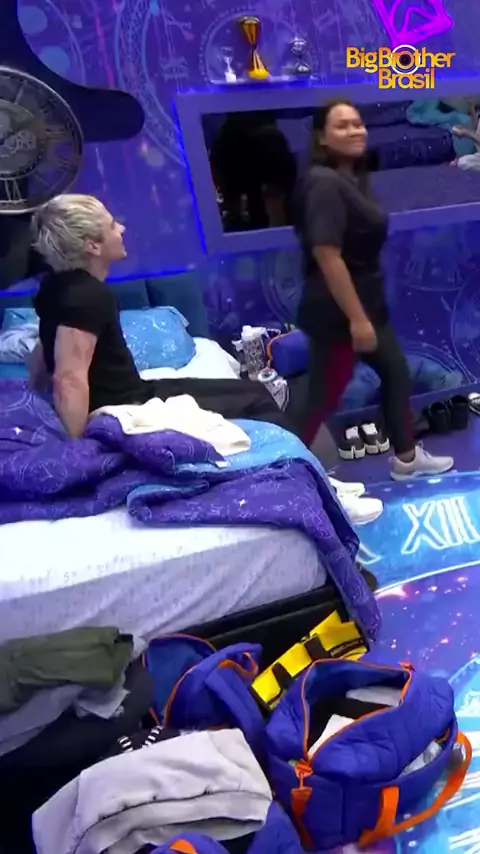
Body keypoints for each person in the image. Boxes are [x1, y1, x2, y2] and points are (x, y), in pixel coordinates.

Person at [28, 194, 292, 439]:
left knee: (254, 390)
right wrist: (76, 451)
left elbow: (46, 348)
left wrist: (34, 395)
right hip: (126, 406)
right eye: (112, 226)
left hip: (135, 391)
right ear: (93, 246)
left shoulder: (57, 286)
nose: (122, 229)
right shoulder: (86, 296)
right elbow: (68, 378)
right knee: (257, 401)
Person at [294, 99, 454, 480]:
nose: (355, 130)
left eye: (358, 123)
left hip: (365, 305)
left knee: (396, 372)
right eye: (342, 125)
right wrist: (357, 319)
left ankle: (407, 458)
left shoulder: (349, 179)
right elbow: (327, 255)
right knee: (320, 398)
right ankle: (277, 470)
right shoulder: (323, 183)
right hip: (339, 313)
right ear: (322, 137)